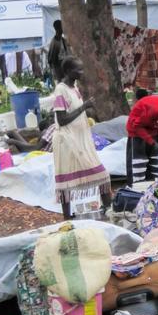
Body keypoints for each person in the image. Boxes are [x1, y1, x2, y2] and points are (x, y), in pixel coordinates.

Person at [52, 57, 112, 220]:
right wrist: (84, 107)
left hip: (80, 141)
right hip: (67, 141)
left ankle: (109, 209)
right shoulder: (61, 90)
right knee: (67, 181)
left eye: (82, 69)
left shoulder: (74, 87)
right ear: (68, 71)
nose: (81, 73)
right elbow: (62, 119)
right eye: (78, 70)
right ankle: (67, 217)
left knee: (102, 175)